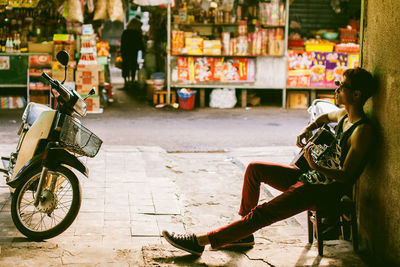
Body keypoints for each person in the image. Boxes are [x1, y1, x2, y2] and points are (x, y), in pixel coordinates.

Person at [162, 67, 376, 256]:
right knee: (255, 169)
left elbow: (347, 176)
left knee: (264, 213)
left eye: (342, 86)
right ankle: (243, 233)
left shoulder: (362, 131)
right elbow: (323, 118)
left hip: (324, 191)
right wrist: (307, 130)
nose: (337, 89)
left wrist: (316, 165)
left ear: (356, 95)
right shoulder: (343, 116)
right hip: (311, 176)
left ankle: (201, 242)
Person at [120, 16, 145, 88]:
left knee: (125, 66)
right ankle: (132, 81)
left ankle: (126, 81)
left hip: (125, 51)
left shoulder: (125, 32)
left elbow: (122, 43)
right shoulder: (137, 33)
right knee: (133, 66)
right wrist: (143, 51)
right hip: (133, 52)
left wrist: (121, 51)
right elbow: (140, 44)